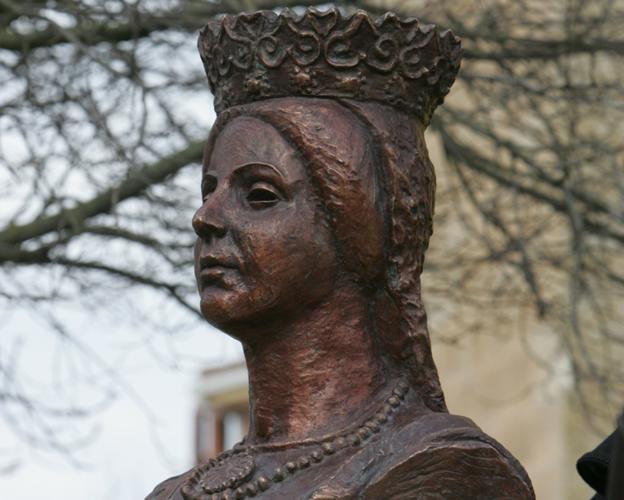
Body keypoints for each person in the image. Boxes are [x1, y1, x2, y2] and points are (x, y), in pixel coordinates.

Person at [147, 8, 535, 499]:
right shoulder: (177, 492)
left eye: (260, 194)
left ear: (357, 226)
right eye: (210, 189)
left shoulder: (441, 470)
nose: (206, 217)